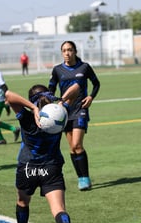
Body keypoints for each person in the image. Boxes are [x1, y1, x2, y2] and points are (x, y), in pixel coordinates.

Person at [6, 83, 81, 223]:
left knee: (23, 202)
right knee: (58, 209)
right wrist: (61, 100)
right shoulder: (60, 113)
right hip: (52, 167)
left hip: (27, 168)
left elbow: (8, 94)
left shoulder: (27, 117)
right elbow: (77, 88)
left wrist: (32, 107)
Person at [48, 41, 100, 191]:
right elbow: (51, 88)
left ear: (75, 51)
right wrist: (53, 102)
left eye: (70, 50)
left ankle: (85, 178)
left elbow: (96, 84)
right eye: (64, 50)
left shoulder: (84, 67)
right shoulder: (57, 70)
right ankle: (81, 178)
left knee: (77, 144)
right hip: (64, 112)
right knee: (72, 148)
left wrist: (91, 97)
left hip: (80, 109)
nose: (67, 53)